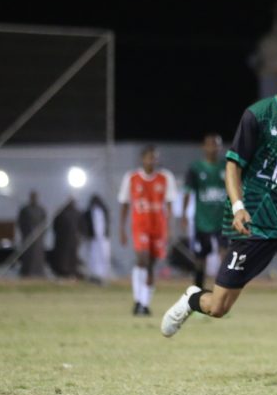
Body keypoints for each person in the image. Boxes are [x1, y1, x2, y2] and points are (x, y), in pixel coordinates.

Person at [161, 40, 277, 391]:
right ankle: (193, 298)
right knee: (219, 307)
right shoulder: (259, 115)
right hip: (255, 220)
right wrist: (238, 206)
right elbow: (233, 166)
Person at [119, 146, 177, 316]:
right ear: (142, 159)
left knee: (151, 265)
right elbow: (124, 203)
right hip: (140, 226)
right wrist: (121, 228)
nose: (152, 161)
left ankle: (144, 303)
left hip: (158, 227)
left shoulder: (165, 177)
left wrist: (170, 228)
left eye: (155, 158)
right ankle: (137, 300)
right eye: (149, 158)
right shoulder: (131, 178)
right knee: (142, 260)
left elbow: (170, 205)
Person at [181, 133, 228, 289]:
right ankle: (198, 291)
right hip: (202, 221)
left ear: (220, 147)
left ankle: (222, 291)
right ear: (204, 147)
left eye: (216, 144)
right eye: (210, 144)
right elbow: (187, 192)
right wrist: (184, 215)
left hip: (223, 220)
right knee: (200, 258)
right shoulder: (196, 168)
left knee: (225, 255)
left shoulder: (226, 167)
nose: (213, 148)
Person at [49, 197, 84, 278]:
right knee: (65, 257)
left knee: (70, 256)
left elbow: (82, 226)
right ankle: (65, 271)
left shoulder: (75, 213)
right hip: (66, 240)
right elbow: (56, 226)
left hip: (70, 240)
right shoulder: (63, 213)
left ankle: (69, 271)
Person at [16, 191, 47, 277]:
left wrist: (40, 235)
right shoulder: (25, 210)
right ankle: (27, 273)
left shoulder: (41, 210)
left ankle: (38, 273)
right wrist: (26, 233)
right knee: (28, 256)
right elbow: (20, 223)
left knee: (37, 256)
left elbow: (44, 224)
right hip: (28, 237)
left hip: (38, 240)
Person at [84, 194, 111, 284]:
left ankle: (103, 276)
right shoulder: (89, 213)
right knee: (93, 257)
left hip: (103, 239)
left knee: (104, 257)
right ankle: (94, 275)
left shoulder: (104, 211)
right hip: (93, 239)